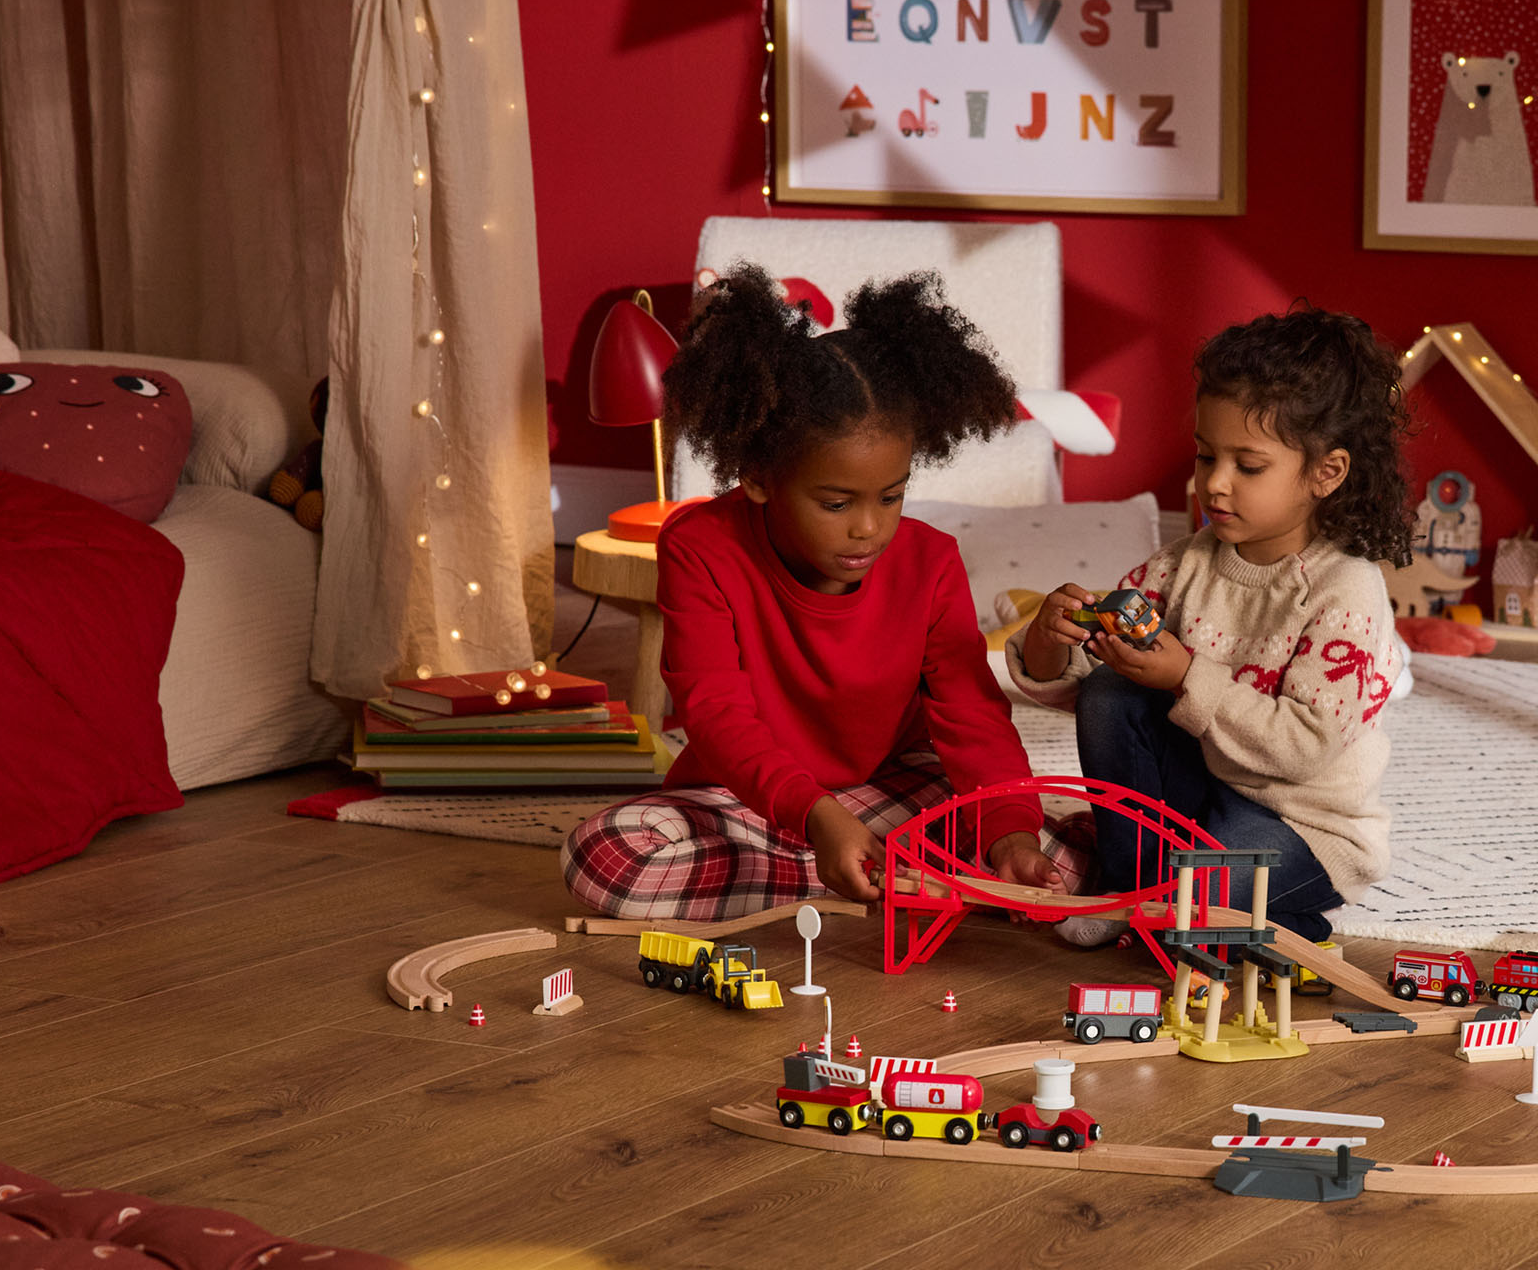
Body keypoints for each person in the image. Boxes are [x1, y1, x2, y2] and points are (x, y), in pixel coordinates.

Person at [562, 265, 1070, 919]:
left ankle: (883, 874)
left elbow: (973, 717)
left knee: (1032, 840)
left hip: (895, 786)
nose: (869, 529)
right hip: (755, 798)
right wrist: (817, 817)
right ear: (758, 477)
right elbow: (718, 716)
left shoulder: (931, 560)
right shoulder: (699, 547)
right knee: (605, 857)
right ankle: (906, 880)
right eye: (836, 503)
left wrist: (1012, 835)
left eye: (891, 497)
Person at [1007, 305, 1414, 943]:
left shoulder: (1346, 591)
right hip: (1204, 793)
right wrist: (1049, 640)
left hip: (1304, 825)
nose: (1215, 484)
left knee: (1191, 905)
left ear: (1325, 473)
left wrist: (1186, 676)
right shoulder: (1187, 562)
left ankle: (1260, 915)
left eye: (1248, 467)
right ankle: (1128, 886)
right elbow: (1086, 674)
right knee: (1112, 692)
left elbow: (1304, 748)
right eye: (1205, 457)